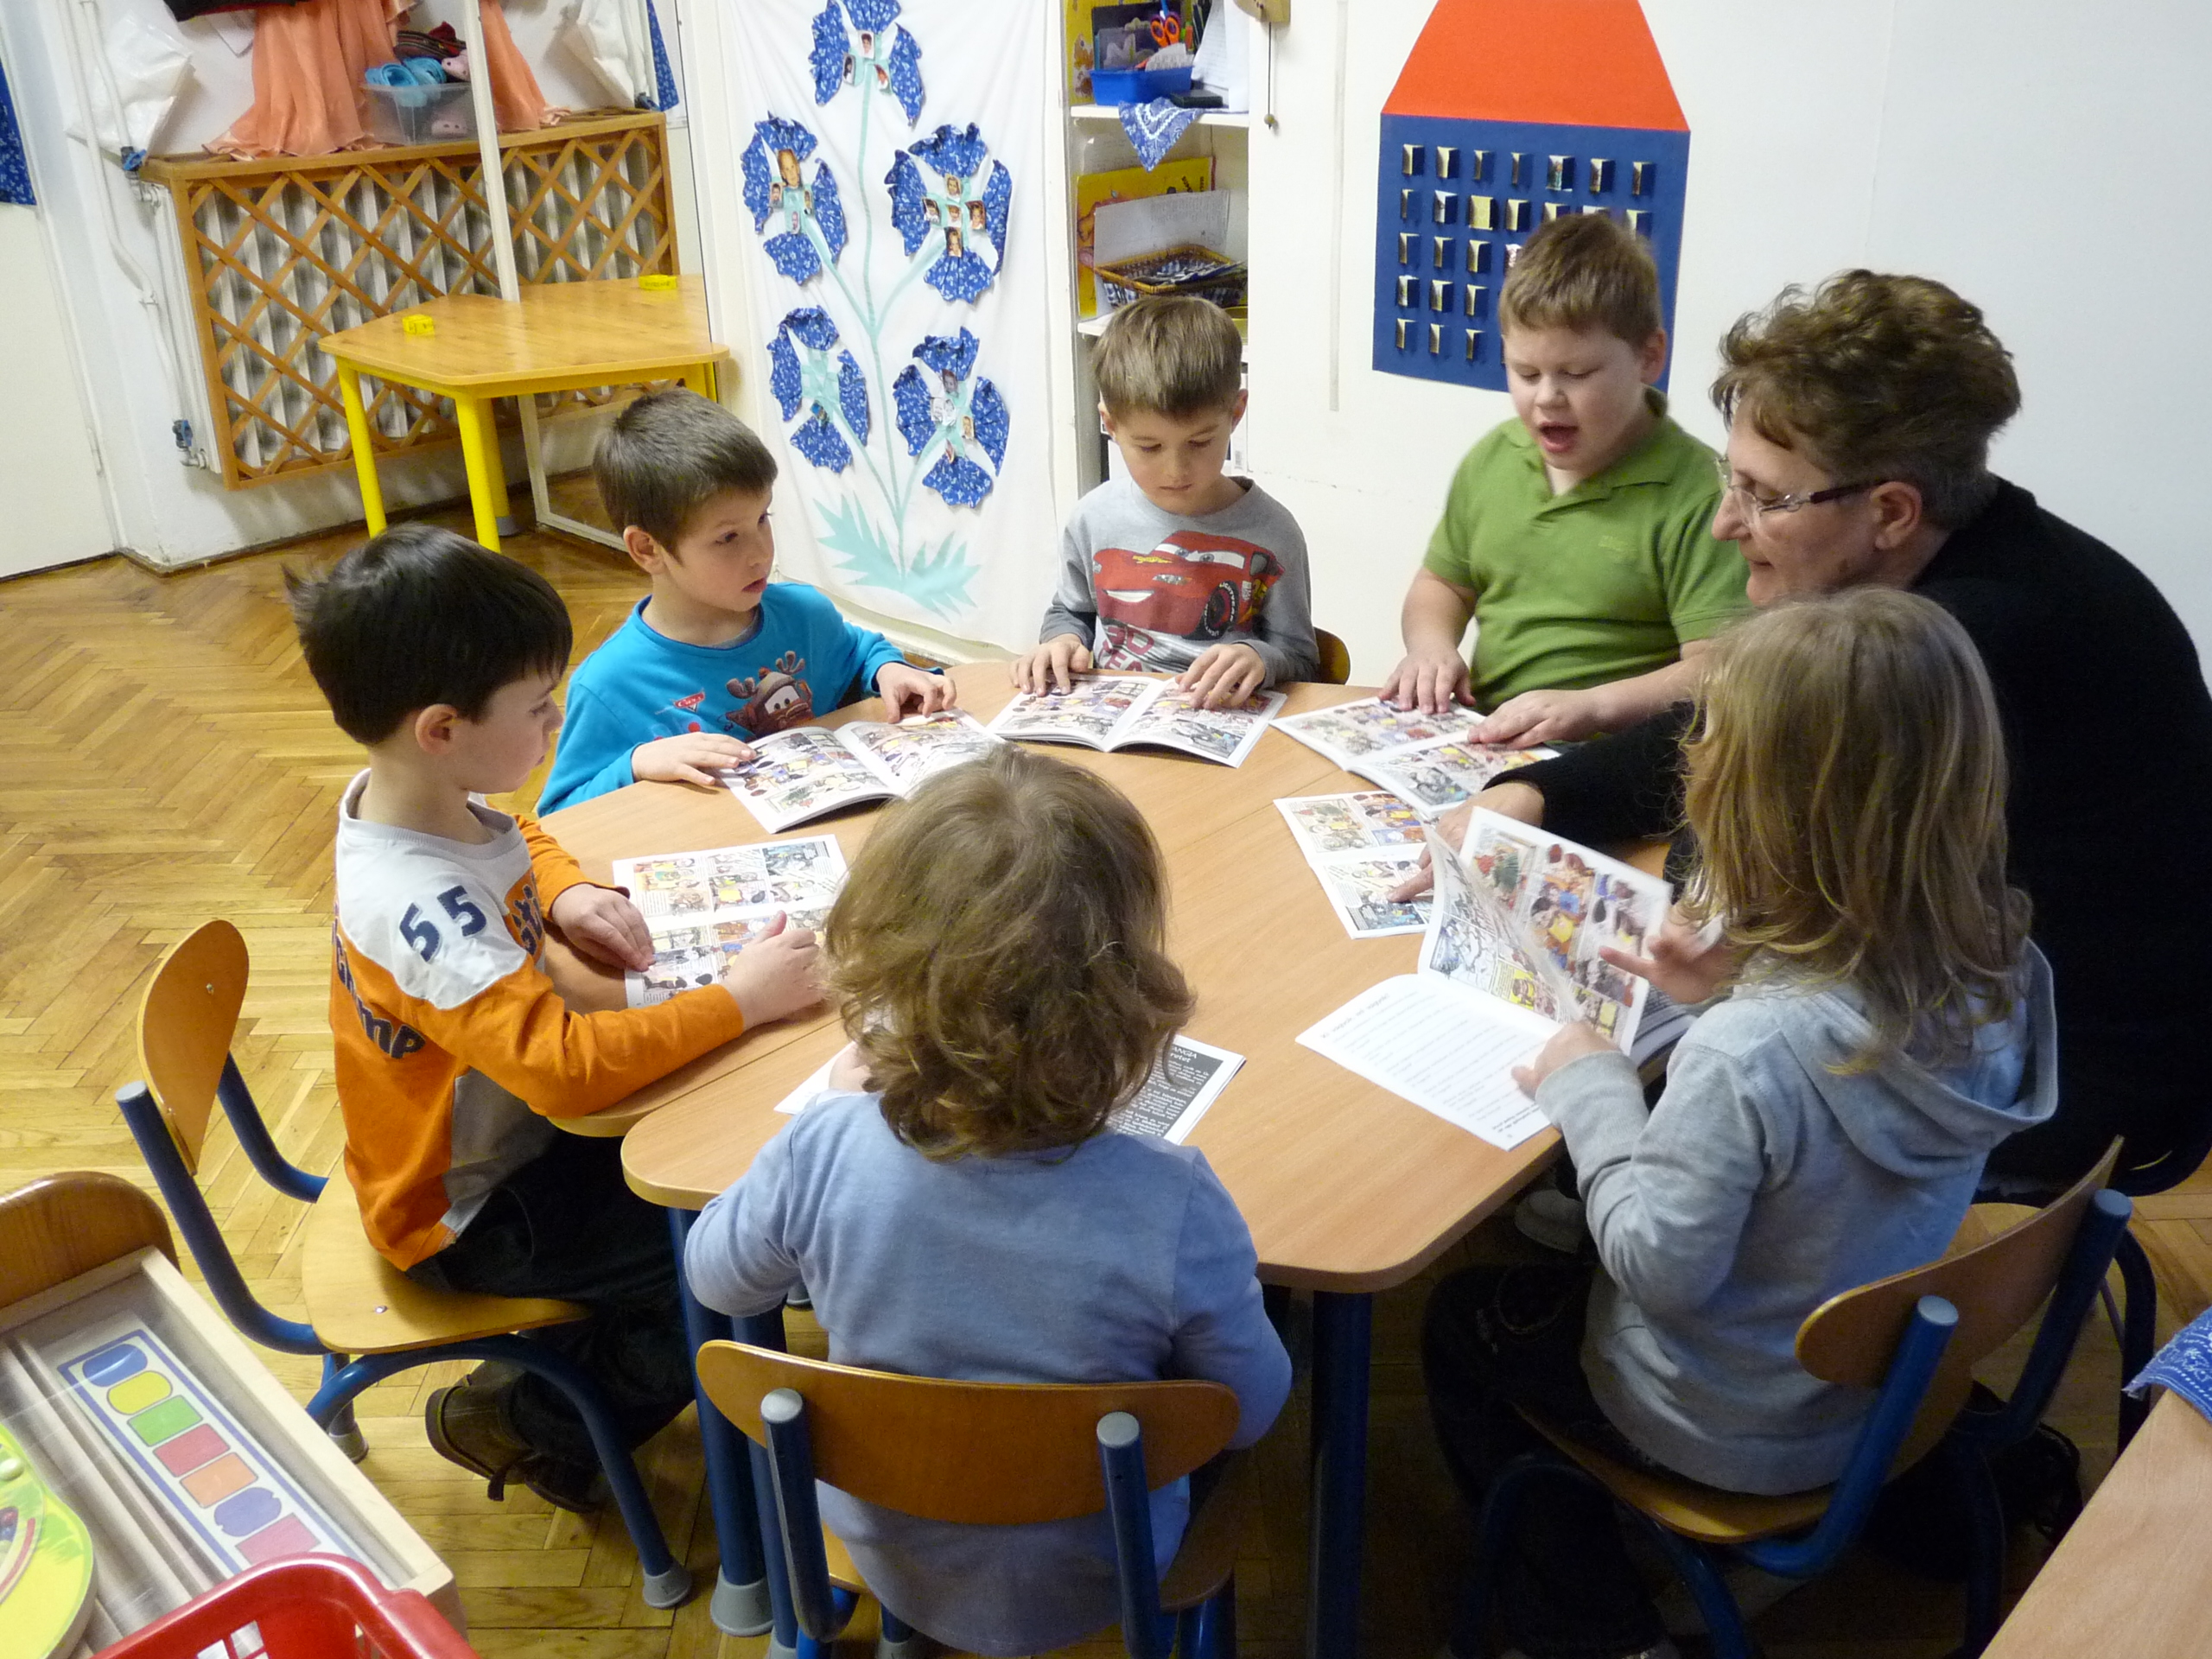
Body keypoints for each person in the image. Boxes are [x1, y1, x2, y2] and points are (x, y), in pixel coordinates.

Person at [1419, 270, 2212, 1185]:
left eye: (1766, 497)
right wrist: (1537, 792)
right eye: (1731, 482)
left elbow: (1732, 861)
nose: (1725, 525)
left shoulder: (1955, 644)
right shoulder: (1965, 564)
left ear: (1890, 512)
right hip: (2010, 1028)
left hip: (2056, 1077)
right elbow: (1727, 727)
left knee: (1638, 1071)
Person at [1425, 588, 2056, 1659]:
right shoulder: (2002, 968)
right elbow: (1829, 1088)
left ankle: (1593, 1630)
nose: (1689, 756)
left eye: (1706, 740)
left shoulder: (1749, 1052)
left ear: (1753, 801)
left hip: (1719, 1424)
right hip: (1879, 1389)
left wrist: (1592, 1084)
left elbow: (1656, 1265)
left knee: (1461, 1322)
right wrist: (1734, 988)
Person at [685, 747, 1292, 1655]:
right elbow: (1252, 1411)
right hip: (1107, 1570)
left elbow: (717, 1279)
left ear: (886, 968)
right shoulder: (1173, 1201)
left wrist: (828, 1115)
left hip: (887, 1549)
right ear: (1123, 991)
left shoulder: (824, 1147)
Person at [286, 526, 823, 1510]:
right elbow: (568, 1070)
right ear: (441, 728)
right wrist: (740, 1001)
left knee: (726, 1186)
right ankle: (527, 1424)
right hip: (467, 1214)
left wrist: (565, 893)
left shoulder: (420, 798)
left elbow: (517, 834)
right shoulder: (420, 911)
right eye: (537, 706)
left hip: (515, 1143)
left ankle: (580, 1354)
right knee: (711, 1263)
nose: (558, 717)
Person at [1380, 213, 1750, 744]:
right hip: (1488, 737)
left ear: (1649, 357)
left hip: (1610, 760)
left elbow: (1718, 669)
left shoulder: (1702, 493)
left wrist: (1594, 708)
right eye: (1525, 373)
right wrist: (1431, 647)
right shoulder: (1495, 457)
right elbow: (1442, 584)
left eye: (1576, 374)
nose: (1547, 397)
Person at [537, 389, 953, 814]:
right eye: (728, 537)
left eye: (762, 519)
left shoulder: (804, 614)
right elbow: (559, 818)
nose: (761, 553)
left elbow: (859, 653)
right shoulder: (609, 684)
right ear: (647, 549)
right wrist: (635, 764)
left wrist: (888, 668)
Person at [1014, 294, 1319, 709]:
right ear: (1110, 424)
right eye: (1150, 447)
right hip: (1114, 716)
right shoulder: (1093, 518)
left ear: (1236, 412)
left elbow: (1301, 659)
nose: (1176, 471)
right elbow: (1071, 613)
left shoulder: (1273, 533)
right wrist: (1062, 641)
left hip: (1224, 718)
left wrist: (1259, 658)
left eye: (1200, 442)